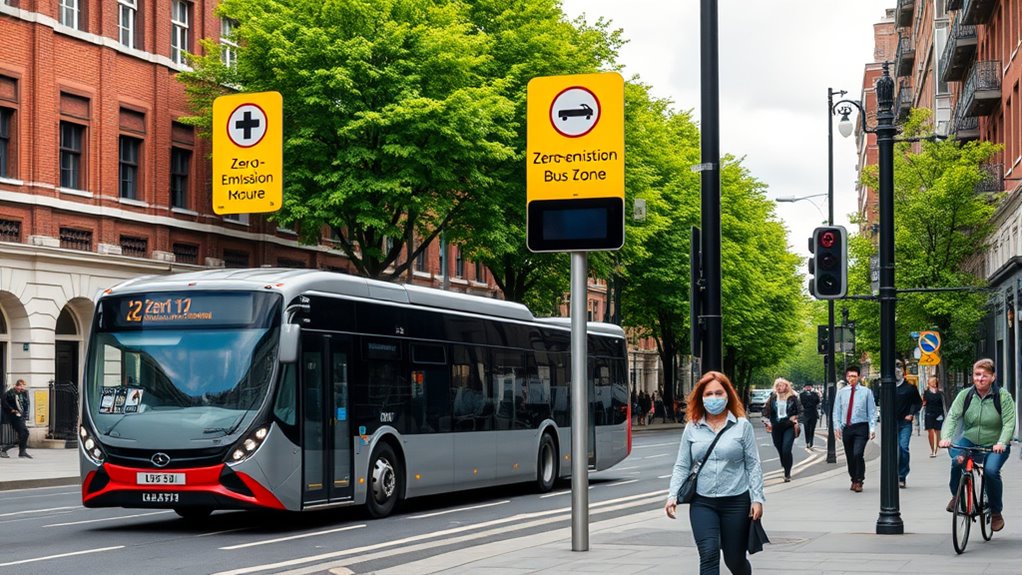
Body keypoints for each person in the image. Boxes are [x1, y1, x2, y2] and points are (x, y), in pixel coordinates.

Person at [665, 371, 764, 575]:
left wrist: (757, 499)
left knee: (734, 560)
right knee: (708, 554)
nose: (714, 398)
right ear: (701, 397)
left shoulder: (742, 425)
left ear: (728, 395)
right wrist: (672, 495)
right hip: (702, 502)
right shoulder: (692, 427)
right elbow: (682, 465)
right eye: (709, 394)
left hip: (736, 501)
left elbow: (753, 464)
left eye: (719, 393)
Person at [939, 358, 1016, 532]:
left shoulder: (1003, 397)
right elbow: (952, 417)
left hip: (995, 444)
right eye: (977, 374)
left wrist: (1002, 442)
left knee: (990, 471)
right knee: (957, 461)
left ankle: (996, 512)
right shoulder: (965, 395)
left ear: (993, 377)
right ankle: (956, 496)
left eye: (984, 375)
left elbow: (1009, 423)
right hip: (970, 440)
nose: (980, 378)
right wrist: (946, 437)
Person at [832, 366, 875, 492]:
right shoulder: (841, 392)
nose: (852, 379)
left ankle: (859, 480)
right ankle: (853, 479)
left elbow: (871, 411)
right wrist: (837, 427)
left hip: (861, 427)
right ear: (846, 377)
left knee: (858, 453)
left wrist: (872, 428)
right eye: (849, 376)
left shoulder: (866, 392)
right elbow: (837, 411)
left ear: (859, 377)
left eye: (854, 376)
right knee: (850, 456)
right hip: (847, 427)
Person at [761, 377, 803, 481]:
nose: (779, 387)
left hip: (789, 426)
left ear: (786, 386)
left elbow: (801, 412)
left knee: (786, 449)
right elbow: (765, 411)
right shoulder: (773, 397)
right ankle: (785, 464)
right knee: (780, 449)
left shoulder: (793, 398)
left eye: (781, 385)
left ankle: (787, 473)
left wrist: (796, 417)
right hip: (776, 427)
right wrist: (766, 421)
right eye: (777, 386)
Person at [893, 361, 922, 488]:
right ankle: (892, 474)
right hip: (891, 423)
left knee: (903, 447)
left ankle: (902, 475)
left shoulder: (910, 388)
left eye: (899, 368)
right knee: (893, 450)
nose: (897, 371)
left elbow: (917, 403)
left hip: (905, 422)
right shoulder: (887, 387)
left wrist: (911, 414)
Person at [1, 379, 31, 458]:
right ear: (16, 385)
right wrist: (12, 410)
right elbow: (4, 402)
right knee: (23, 433)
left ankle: (22, 451)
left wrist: (25, 414)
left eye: (23, 385)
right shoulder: (10, 393)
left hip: (20, 416)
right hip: (13, 416)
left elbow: (26, 404)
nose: (22, 387)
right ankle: (4, 450)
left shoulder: (22, 394)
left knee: (23, 434)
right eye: (20, 385)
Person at [922, 376, 945, 457]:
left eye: (934, 381)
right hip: (929, 413)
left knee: (937, 431)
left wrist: (942, 415)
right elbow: (924, 402)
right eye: (931, 382)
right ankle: (933, 450)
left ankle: (935, 449)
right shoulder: (926, 392)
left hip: (938, 414)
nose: (933, 383)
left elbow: (942, 404)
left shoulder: (940, 392)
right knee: (931, 432)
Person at [799, 383, 821, 450]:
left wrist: (815, 396)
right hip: (806, 413)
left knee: (812, 428)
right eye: (807, 387)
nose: (808, 388)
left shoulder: (815, 394)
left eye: (809, 387)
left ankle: (811, 442)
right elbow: (803, 402)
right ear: (805, 387)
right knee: (806, 428)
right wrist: (811, 401)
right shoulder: (802, 394)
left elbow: (817, 401)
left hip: (813, 413)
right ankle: (807, 441)